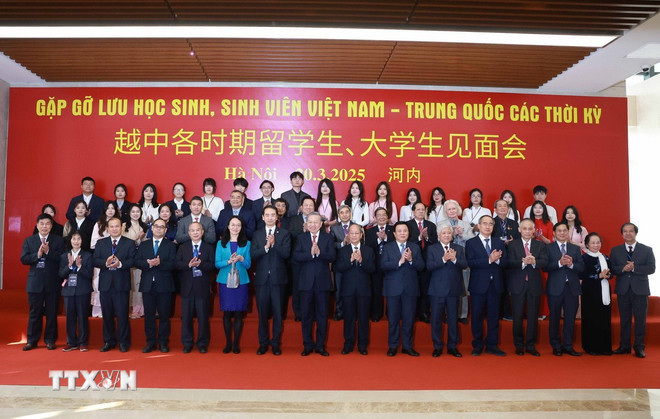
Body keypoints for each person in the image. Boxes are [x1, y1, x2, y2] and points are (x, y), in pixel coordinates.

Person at [20, 213, 66, 351]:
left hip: (52, 281)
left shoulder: (58, 240)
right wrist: (38, 255)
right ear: (37, 225)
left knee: (52, 313)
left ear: (51, 226)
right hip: (35, 282)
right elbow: (24, 259)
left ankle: (50, 340)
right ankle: (32, 340)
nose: (44, 226)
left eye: (47, 224)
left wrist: (48, 252)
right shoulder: (30, 241)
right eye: (42, 224)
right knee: (35, 312)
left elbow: (62, 259)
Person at [293, 212, 336, 356]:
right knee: (306, 316)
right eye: (310, 222)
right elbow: (296, 256)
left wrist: (320, 253)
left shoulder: (328, 238)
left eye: (315, 222)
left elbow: (332, 256)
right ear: (306, 224)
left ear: (321, 224)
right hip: (305, 283)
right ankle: (307, 345)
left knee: (322, 315)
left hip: (322, 283)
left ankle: (320, 346)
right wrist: (311, 254)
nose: (312, 225)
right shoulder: (301, 238)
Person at [611, 222, 656, 358]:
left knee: (640, 320)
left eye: (631, 231)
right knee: (624, 319)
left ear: (636, 233)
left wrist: (635, 268)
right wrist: (623, 269)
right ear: (622, 234)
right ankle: (624, 346)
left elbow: (651, 268)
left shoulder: (647, 250)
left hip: (640, 290)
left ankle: (639, 347)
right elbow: (612, 268)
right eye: (625, 231)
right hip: (623, 289)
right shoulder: (616, 250)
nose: (628, 234)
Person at [250, 205, 291, 356]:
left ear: (277, 217)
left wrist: (275, 244)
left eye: (272, 215)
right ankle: (263, 343)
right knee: (262, 314)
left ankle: (275, 344)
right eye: (267, 215)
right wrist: (266, 247)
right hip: (262, 280)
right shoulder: (257, 234)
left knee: (278, 314)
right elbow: (253, 254)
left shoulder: (284, 233)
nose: (270, 217)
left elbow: (286, 254)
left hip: (278, 280)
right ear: (262, 217)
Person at [466, 215, 508, 356]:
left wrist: (496, 261)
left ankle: (492, 345)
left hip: (495, 285)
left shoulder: (499, 242)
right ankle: (477, 345)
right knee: (477, 316)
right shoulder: (471, 243)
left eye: (490, 224)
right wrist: (489, 259)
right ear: (479, 225)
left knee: (494, 316)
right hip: (478, 285)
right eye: (485, 223)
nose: (488, 226)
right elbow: (470, 263)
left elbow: (505, 263)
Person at [381, 221, 424, 356]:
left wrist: (411, 260)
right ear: (394, 233)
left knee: (409, 319)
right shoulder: (388, 247)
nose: (402, 233)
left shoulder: (415, 247)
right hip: (393, 288)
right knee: (393, 319)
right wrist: (399, 262)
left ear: (408, 232)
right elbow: (383, 265)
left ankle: (407, 346)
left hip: (410, 289)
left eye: (405, 231)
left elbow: (422, 266)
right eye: (399, 231)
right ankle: (393, 346)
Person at [93, 217, 136, 352]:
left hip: (121, 284)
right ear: (107, 228)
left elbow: (133, 260)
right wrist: (105, 263)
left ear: (121, 228)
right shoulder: (101, 243)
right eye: (111, 226)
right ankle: (108, 341)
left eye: (117, 226)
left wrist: (121, 264)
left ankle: (124, 342)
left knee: (123, 315)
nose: (114, 229)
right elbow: (95, 260)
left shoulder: (129, 243)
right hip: (105, 284)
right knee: (107, 315)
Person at [507, 218, 548, 356]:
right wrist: (523, 262)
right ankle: (518, 345)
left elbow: (545, 261)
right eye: (524, 228)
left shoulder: (540, 245)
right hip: (517, 285)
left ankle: (530, 345)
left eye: (530, 229)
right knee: (517, 316)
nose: (527, 231)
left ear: (534, 231)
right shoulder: (513, 245)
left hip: (534, 284)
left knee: (532, 317)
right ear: (519, 229)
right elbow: (509, 262)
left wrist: (534, 261)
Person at [426, 223, 468, 357]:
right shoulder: (432, 249)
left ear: (452, 235)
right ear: (439, 235)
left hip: (453, 289)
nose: (446, 235)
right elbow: (429, 266)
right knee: (436, 319)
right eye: (443, 233)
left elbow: (464, 264)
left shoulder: (458, 248)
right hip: (437, 290)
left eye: (448, 233)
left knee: (453, 319)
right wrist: (443, 259)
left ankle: (452, 346)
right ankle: (437, 346)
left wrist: (454, 259)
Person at [135, 218, 176, 353]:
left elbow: (174, 265)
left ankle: (163, 342)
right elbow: (137, 262)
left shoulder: (170, 245)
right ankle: (150, 342)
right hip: (147, 285)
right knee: (149, 315)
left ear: (165, 230)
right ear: (152, 228)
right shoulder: (144, 245)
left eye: (162, 227)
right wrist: (148, 264)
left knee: (164, 315)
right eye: (156, 226)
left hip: (164, 285)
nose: (158, 229)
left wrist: (160, 263)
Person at [544, 222, 585, 356]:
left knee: (570, 319)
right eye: (559, 231)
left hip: (572, 288)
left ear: (568, 232)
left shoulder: (575, 248)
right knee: (554, 317)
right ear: (554, 233)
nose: (562, 233)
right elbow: (545, 267)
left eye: (564, 231)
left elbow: (582, 268)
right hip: (554, 288)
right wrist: (559, 263)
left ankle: (568, 345)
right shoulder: (548, 248)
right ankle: (556, 346)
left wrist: (572, 264)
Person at [335, 224, 375, 355]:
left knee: (363, 318)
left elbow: (373, 269)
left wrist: (362, 261)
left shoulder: (368, 250)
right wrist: (350, 261)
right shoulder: (343, 251)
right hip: (348, 290)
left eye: (356, 233)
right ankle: (348, 344)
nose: (354, 236)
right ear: (348, 235)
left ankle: (363, 345)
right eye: (351, 233)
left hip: (364, 289)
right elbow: (337, 268)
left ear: (361, 234)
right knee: (349, 318)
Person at [176, 221, 215, 354]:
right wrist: (188, 265)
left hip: (202, 287)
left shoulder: (209, 247)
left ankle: (202, 343)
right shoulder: (183, 247)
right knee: (186, 317)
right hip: (187, 286)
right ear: (188, 233)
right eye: (192, 230)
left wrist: (201, 264)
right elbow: (177, 264)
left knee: (203, 317)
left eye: (198, 230)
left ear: (202, 232)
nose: (195, 232)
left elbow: (212, 266)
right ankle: (187, 343)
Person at [215, 216, 252, 354]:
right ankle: (228, 343)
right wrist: (228, 261)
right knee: (226, 313)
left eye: (238, 225)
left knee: (238, 313)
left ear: (241, 228)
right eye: (233, 225)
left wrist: (241, 259)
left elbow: (248, 265)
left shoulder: (246, 243)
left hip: (241, 280)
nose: (235, 228)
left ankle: (236, 343)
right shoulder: (221, 243)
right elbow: (217, 263)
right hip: (225, 280)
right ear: (228, 227)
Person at [58, 231, 94, 351]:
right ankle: (71, 342)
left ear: (82, 241)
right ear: (70, 241)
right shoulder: (64, 256)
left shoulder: (87, 255)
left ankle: (83, 342)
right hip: (68, 290)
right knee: (70, 317)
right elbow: (61, 274)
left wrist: (79, 267)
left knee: (83, 316)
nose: (76, 241)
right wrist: (69, 266)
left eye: (79, 239)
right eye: (74, 239)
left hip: (83, 290)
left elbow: (89, 274)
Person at [580, 232, 613, 355]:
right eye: (592, 243)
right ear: (587, 244)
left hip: (604, 290)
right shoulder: (584, 258)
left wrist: (608, 275)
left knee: (604, 318)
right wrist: (598, 275)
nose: (596, 245)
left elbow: (612, 273)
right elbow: (581, 274)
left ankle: (604, 347)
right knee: (591, 318)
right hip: (589, 291)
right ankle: (591, 347)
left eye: (598, 242)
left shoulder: (606, 257)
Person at [406, 201, 437, 323]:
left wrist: (427, 237)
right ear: (413, 212)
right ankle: (412, 313)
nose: (420, 212)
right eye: (418, 210)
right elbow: (405, 242)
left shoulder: (431, 225)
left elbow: (435, 244)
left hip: (428, 260)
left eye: (423, 210)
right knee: (413, 288)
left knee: (425, 287)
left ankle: (424, 312)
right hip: (412, 260)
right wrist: (419, 237)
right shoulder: (407, 225)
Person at [444, 199, 475, 324]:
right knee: (448, 286)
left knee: (464, 286)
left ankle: (462, 315)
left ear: (458, 210)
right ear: (446, 211)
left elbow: (473, 240)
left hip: (463, 257)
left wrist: (462, 234)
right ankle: (448, 314)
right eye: (449, 209)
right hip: (447, 258)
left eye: (454, 208)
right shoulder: (441, 224)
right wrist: (452, 233)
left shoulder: (466, 224)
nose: (452, 211)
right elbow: (439, 237)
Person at [287, 196, 317, 321]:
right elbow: (289, 236)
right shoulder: (294, 220)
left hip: (314, 260)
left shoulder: (318, 220)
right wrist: (303, 231)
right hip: (297, 259)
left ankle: (312, 312)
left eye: (311, 205)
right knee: (297, 286)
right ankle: (298, 313)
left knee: (313, 286)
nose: (309, 207)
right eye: (306, 205)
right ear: (301, 207)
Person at [90, 201, 120, 318]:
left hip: (116, 259)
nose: (110, 210)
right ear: (104, 210)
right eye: (108, 208)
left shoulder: (120, 224)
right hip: (102, 258)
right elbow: (93, 244)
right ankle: (98, 311)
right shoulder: (98, 224)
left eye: (113, 208)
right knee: (98, 284)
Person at [364, 207, 394, 322]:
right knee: (376, 290)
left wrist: (385, 238)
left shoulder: (393, 230)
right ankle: (376, 313)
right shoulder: (370, 231)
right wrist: (378, 240)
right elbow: (368, 247)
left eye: (384, 215)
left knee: (391, 290)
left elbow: (396, 245)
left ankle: (390, 313)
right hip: (376, 264)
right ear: (375, 218)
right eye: (379, 215)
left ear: (387, 218)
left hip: (391, 264)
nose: (381, 217)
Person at [122, 204, 148, 319]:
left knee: (139, 283)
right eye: (133, 211)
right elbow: (122, 243)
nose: (136, 214)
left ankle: (141, 309)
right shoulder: (124, 226)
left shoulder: (145, 226)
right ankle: (130, 309)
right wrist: (136, 238)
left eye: (138, 211)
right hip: (129, 259)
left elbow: (148, 242)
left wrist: (143, 239)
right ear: (129, 213)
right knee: (131, 283)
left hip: (141, 258)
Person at [329, 204, 354, 321]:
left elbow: (362, 243)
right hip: (339, 263)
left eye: (346, 212)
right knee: (339, 289)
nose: (344, 214)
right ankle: (339, 311)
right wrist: (343, 243)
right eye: (342, 213)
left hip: (354, 263)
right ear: (338, 215)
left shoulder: (356, 227)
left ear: (350, 214)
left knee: (353, 289)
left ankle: (353, 312)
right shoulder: (334, 228)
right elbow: (331, 245)